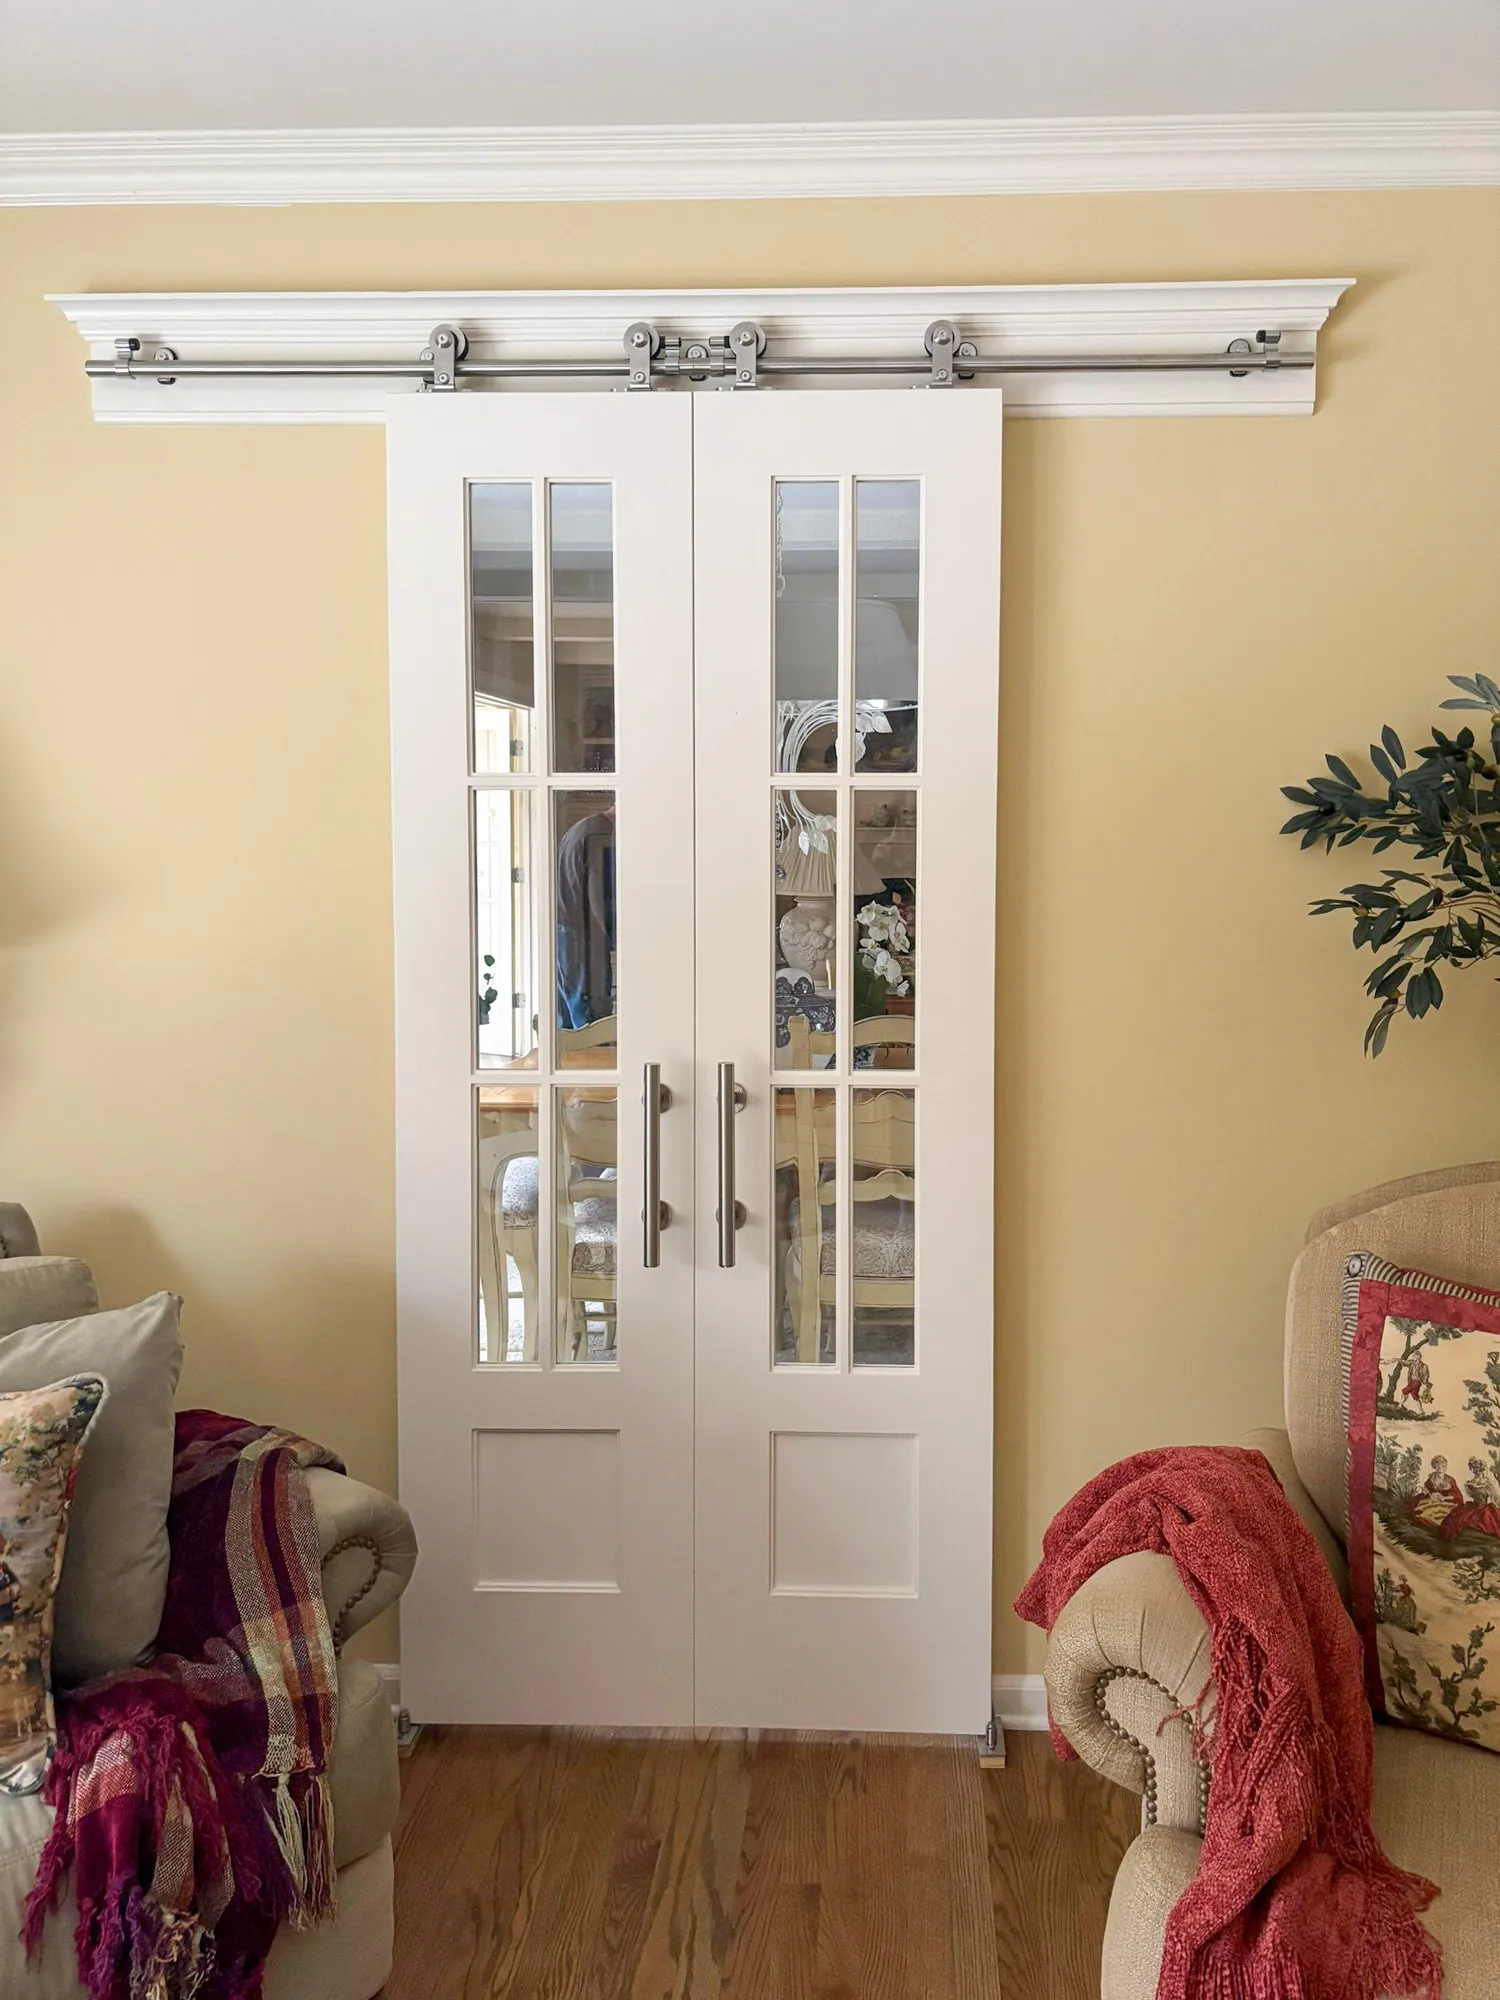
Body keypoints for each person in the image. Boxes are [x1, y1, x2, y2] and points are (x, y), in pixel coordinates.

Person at [1410, 1453, 1463, 1529]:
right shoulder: (1431, 1479)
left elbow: (1458, 1495)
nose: (1440, 1468)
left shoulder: (1450, 1480)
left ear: (1445, 1467)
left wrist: (1444, 1498)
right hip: (1432, 1501)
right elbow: (1428, 1491)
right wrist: (1426, 1492)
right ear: (1434, 1467)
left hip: (1446, 1503)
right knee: (1424, 1513)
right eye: (1438, 1466)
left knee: (1445, 1517)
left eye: (1443, 1466)